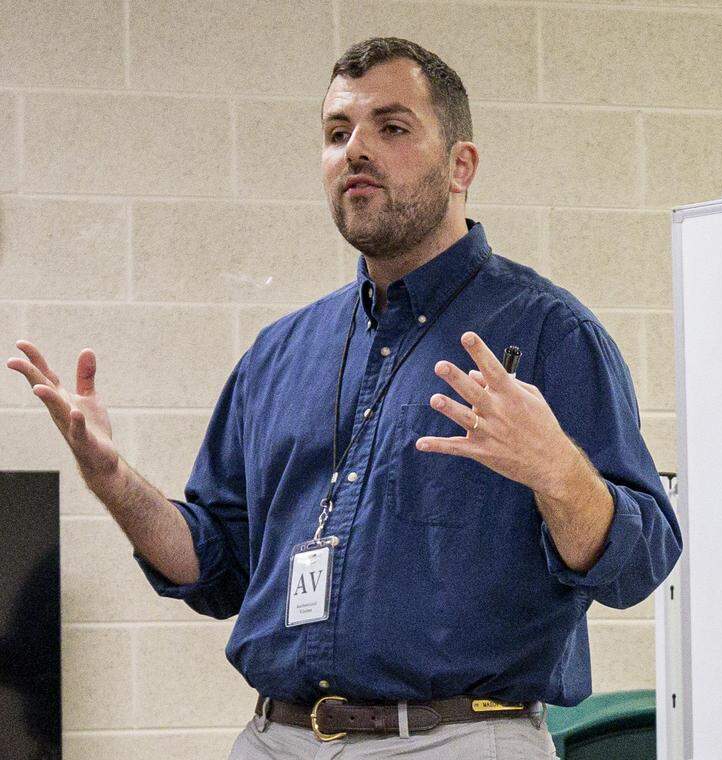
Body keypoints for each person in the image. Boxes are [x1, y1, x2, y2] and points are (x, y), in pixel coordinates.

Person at [6, 37, 682, 758]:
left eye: (391, 128)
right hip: (277, 737)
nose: (357, 150)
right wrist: (111, 481)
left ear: (462, 166)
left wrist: (559, 473)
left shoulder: (547, 333)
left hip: (456, 737)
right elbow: (213, 566)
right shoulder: (280, 352)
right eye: (338, 133)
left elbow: (639, 563)